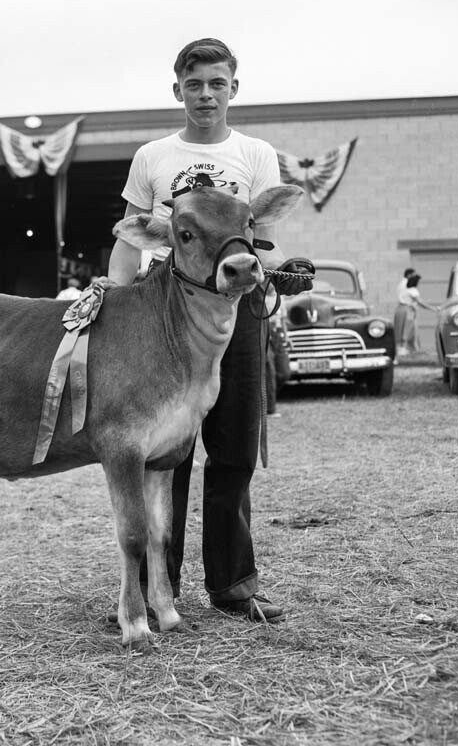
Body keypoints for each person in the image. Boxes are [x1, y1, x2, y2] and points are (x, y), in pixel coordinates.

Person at [106, 38, 312, 623]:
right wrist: (110, 296)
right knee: (162, 453)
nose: (206, 94)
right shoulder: (152, 157)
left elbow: (259, 235)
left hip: (237, 312)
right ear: (178, 91)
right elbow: (129, 240)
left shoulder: (255, 153)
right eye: (194, 85)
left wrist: (282, 272)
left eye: (217, 83)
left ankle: (232, 584)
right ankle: (154, 584)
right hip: (164, 318)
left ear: (233, 89)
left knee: (234, 449)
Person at [394, 272, 436, 356]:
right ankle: (405, 348)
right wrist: (432, 308)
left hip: (400, 309)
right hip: (408, 310)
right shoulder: (413, 291)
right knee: (408, 329)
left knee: (401, 328)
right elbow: (420, 302)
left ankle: (403, 348)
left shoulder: (403, 289)